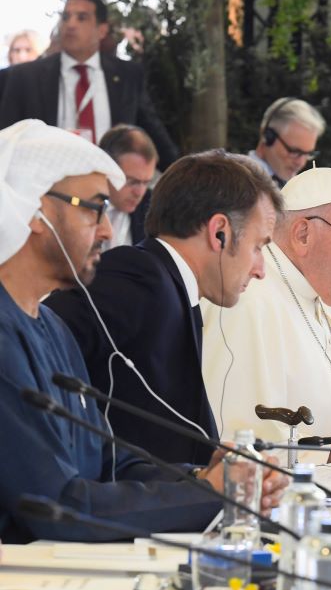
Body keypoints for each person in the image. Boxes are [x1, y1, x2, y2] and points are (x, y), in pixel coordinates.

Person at [0, 120, 285, 543]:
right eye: (93, 207)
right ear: (35, 211)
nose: (108, 230)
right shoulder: (8, 334)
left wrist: (206, 479)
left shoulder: (52, 329)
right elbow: (59, 506)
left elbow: (108, 461)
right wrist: (209, 495)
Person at [45, 150, 283, 465]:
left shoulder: (170, 284)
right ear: (219, 233)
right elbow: (39, 341)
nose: (260, 269)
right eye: (257, 247)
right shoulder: (140, 274)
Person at [202, 167, 331, 463]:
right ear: (302, 234)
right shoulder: (248, 300)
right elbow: (234, 443)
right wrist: (328, 456)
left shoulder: (322, 294)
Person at [0, 0, 178, 168]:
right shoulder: (26, 77)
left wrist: (182, 176)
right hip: (45, 185)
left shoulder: (127, 75)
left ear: (102, 30)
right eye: (66, 17)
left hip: (109, 184)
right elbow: (7, 138)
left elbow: (153, 132)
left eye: (81, 18)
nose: (70, 24)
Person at [97, 124, 157, 248]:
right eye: (132, 181)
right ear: (106, 169)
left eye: (146, 182)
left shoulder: (154, 209)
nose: (139, 192)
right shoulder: (81, 205)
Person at [249, 97, 324, 187]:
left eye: (308, 154)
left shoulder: (297, 188)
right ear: (268, 136)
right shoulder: (237, 182)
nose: (301, 163)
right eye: (295, 152)